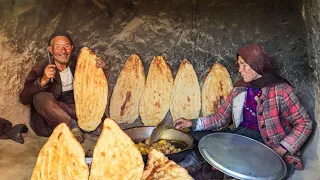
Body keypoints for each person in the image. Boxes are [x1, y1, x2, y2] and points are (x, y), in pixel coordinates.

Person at [174, 44, 313, 175]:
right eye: (239, 65)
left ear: (257, 65)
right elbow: (220, 118)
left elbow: (304, 123)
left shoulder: (281, 91)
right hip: (241, 137)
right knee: (198, 138)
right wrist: (192, 123)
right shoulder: (239, 89)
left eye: (244, 65)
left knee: (247, 166)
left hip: (266, 144)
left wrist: (283, 148)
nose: (240, 70)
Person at [19, 32, 106, 143]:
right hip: (53, 115)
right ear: (51, 50)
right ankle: (71, 126)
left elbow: (93, 87)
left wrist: (98, 68)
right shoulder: (41, 67)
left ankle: (84, 127)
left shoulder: (79, 64)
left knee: (102, 123)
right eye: (58, 47)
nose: (63, 51)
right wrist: (43, 81)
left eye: (66, 47)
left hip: (76, 110)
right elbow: (24, 98)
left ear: (71, 48)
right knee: (39, 97)